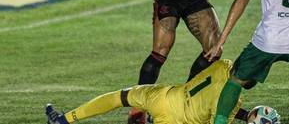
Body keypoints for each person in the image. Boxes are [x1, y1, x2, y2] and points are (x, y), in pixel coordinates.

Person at [45, 60, 262, 124]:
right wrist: (250, 117)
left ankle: (64, 120)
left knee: (119, 97)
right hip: (174, 120)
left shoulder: (223, 65)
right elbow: (223, 111)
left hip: (163, 97)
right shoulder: (230, 103)